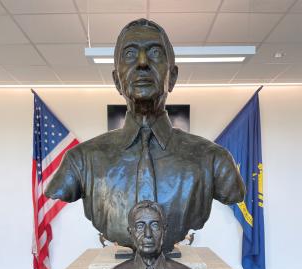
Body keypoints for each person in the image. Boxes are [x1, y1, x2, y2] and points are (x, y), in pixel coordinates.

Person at [45, 18, 245, 252]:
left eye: (155, 53)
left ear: (173, 77)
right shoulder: (80, 161)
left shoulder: (214, 160)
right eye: (130, 54)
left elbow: (231, 192)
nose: (142, 63)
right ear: (116, 81)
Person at [98, 201, 202, 269]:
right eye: (140, 226)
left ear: (164, 231)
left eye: (155, 226)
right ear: (131, 233)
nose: (148, 234)